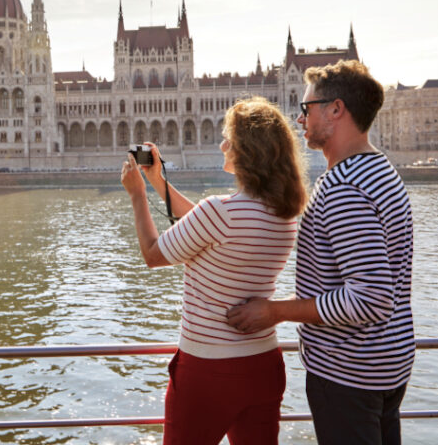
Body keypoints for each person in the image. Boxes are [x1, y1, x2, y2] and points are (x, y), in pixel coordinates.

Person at [227, 60, 415, 445]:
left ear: (336, 109)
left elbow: (370, 298)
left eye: (306, 108)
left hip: (350, 374)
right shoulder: (381, 171)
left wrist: (274, 311)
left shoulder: (345, 188)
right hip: (386, 367)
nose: (300, 120)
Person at [120, 97, 307, 445]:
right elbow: (206, 225)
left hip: (207, 371)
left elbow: (152, 254)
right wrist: (158, 182)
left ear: (249, 152)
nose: (222, 145)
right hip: (262, 364)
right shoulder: (283, 215)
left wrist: (138, 195)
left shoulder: (220, 214)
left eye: (229, 139)